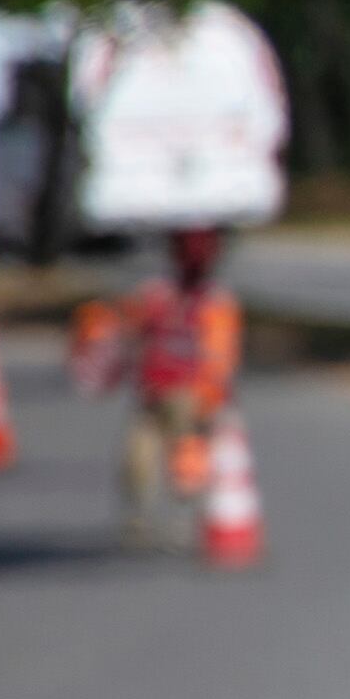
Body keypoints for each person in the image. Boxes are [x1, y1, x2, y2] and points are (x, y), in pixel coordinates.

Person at [113, 228, 239, 550]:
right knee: (138, 457)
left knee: (187, 464)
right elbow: (130, 333)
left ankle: (184, 519)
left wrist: (217, 395)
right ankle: (138, 516)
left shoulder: (216, 302)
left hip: (192, 394)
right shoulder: (155, 295)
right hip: (154, 390)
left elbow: (222, 353)